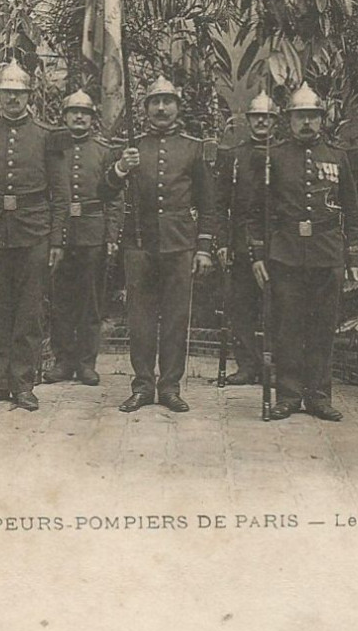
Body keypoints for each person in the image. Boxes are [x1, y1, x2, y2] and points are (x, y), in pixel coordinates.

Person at [0, 59, 68, 411]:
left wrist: (56, 240)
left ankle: (23, 384)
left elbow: (61, 195)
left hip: (33, 232)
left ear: (29, 96)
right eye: (7, 93)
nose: (12, 100)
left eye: (19, 94)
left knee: (28, 311)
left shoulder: (47, 136)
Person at [250, 82, 358, 422]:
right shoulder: (274, 156)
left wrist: (354, 259)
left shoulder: (338, 157)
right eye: (300, 117)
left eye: (312, 117)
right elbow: (258, 213)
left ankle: (318, 396)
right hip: (284, 255)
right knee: (287, 326)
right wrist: (257, 255)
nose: (306, 124)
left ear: (321, 120)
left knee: (322, 328)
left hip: (326, 254)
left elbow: (353, 213)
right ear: (289, 120)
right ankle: (288, 394)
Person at [108, 76, 215, 414]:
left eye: (168, 102)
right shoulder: (132, 146)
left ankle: (169, 387)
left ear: (177, 108)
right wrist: (121, 168)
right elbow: (104, 190)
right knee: (139, 319)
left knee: (175, 318)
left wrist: (203, 247)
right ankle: (142, 386)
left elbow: (208, 204)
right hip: (139, 244)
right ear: (145, 109)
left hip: (179, 243)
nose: (161, 108)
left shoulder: (192, 147)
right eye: (155, 102)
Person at [43, 89, 131, 387]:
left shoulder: (104, 150)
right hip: (61, 233)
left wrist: (112, 235)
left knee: (91, 301)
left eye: (85, 113)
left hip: (93, 232)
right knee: (60, 300)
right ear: (65, 116)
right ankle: (63, 361)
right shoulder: (54, 149)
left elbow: (115, 198)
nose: (79, 117)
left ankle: (87, 363)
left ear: (93, 119)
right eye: (73, 112)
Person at [215, 92, 280, 385]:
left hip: (279, 241)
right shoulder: (234, 155)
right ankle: (247, 365)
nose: (261, 122)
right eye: (256, 117)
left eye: (267, 117)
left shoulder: (283, 154)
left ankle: (276, 366)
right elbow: (219, 204)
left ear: (275, 121)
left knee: (278, 304)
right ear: (249, 120)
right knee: (240, 305)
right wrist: (222, 242)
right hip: (240, 239)